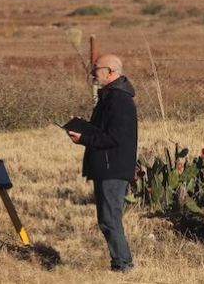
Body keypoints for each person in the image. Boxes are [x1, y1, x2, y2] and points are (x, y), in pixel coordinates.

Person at [67, 53, 138, 273]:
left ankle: (122, 265)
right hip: (107, 167)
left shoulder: (119, 100)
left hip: (113, 168)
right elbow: (105, 131)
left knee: (109, 219)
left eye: (96, 68)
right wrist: (84, 127)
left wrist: (85, 138)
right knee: (108, 218)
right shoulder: (110, 97)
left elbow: (115, 138)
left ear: (111, 71)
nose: (92, 73)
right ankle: (121, 262)